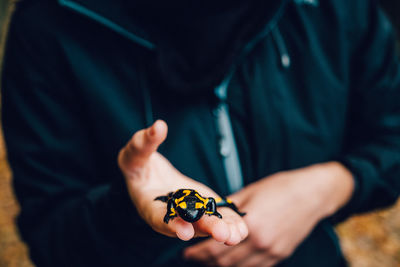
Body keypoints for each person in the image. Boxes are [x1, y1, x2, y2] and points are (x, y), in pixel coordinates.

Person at [1, 0, 400, 266]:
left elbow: (391, 136)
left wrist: (327, 186)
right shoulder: (51, 24)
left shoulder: (337, 12)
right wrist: (126, 208)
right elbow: (53, 237)